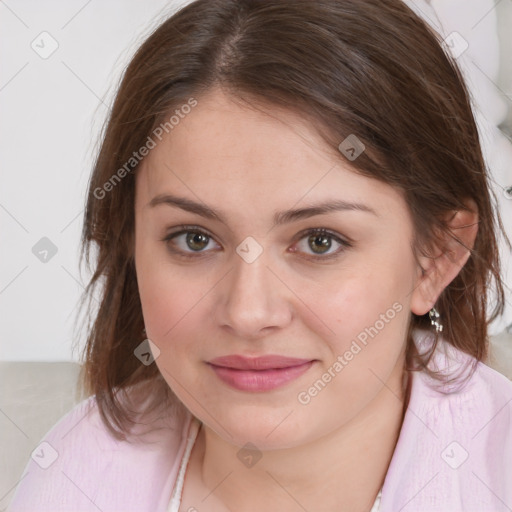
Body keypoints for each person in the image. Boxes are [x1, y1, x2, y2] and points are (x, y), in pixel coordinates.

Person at [7, 0, 512, 511]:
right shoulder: (68, 481)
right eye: (194, 239)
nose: (248, 313)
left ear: (436, 257)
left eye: (320, 241)